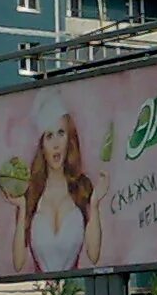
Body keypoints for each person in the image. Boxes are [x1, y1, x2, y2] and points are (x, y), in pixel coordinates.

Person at [6, 91, 108, 273]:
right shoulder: (31, 192)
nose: (55, 144)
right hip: (40, 294)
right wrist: (22, 208)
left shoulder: (82, 186)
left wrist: (94, 204)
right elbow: (18, 263)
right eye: (49, 136)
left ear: (69, 139)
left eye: (61, 133)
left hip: (73, 292)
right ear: (41, 145)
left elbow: (93, 255)